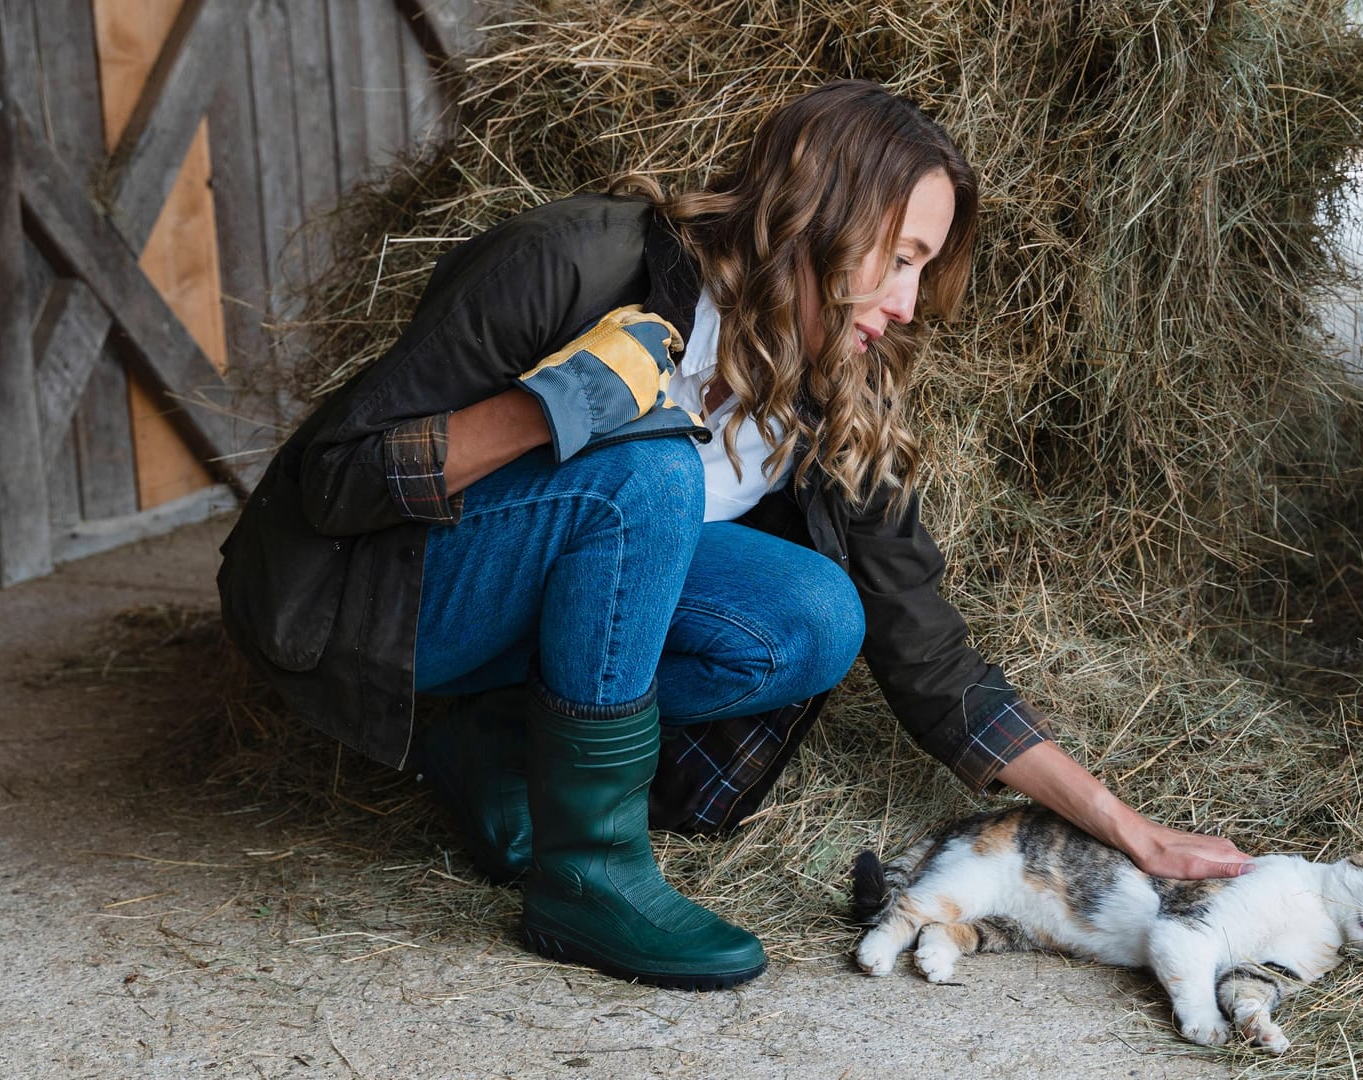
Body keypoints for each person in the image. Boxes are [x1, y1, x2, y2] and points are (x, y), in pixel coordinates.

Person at [216, 80, 1251, 993]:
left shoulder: (837, 373)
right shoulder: (576, 262)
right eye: (896, 257)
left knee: (813, 618)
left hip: (546, 623)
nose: (904, 301)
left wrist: (1120, 824)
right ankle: (590, 873)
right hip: (383, 602)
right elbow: (335, 482)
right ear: (816, 214)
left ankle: (493, 750)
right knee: (649, 471)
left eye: (921, 269)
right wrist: (552, 410)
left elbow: (922, 642)